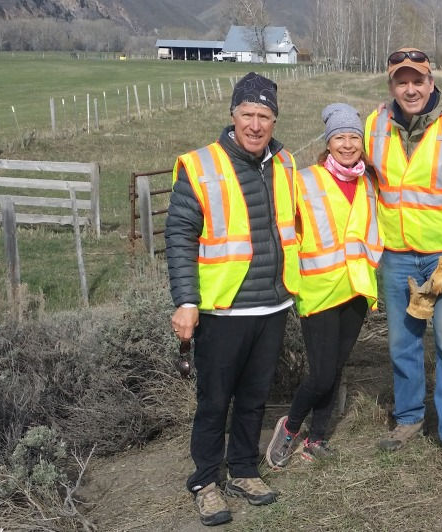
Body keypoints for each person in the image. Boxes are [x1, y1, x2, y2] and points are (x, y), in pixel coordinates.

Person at [165, 71, 299, 527]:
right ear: (232, 115)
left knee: (255, 397)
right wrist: (186, 300)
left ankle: (243, 468)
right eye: (248, 114)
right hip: (222, 308)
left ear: (274, 120)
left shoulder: (285, 163)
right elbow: (179, 236)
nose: (256, 124)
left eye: (265, 116)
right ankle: (205, 480)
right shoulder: (201, 166)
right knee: (214, 399)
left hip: (273, 304)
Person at [364, 48, 442, 469]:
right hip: (396, 256)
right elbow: (356, 174)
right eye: (401, 81)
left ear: (431, 82)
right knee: (402, 343)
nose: (410, 89)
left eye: (418, 80)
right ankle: (409, 418)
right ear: (391, 86)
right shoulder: (375, 125)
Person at [265, 103, 382, 468]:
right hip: (317, 290)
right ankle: (291, 426)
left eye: (354, 138)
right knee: (321, 374)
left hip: (355, 290)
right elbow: (282, 228)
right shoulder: (305, 180)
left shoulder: (368, 182)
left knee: (338, 366)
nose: (347, 145)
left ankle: (317, 438)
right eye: (340, 138)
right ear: (328, 143)